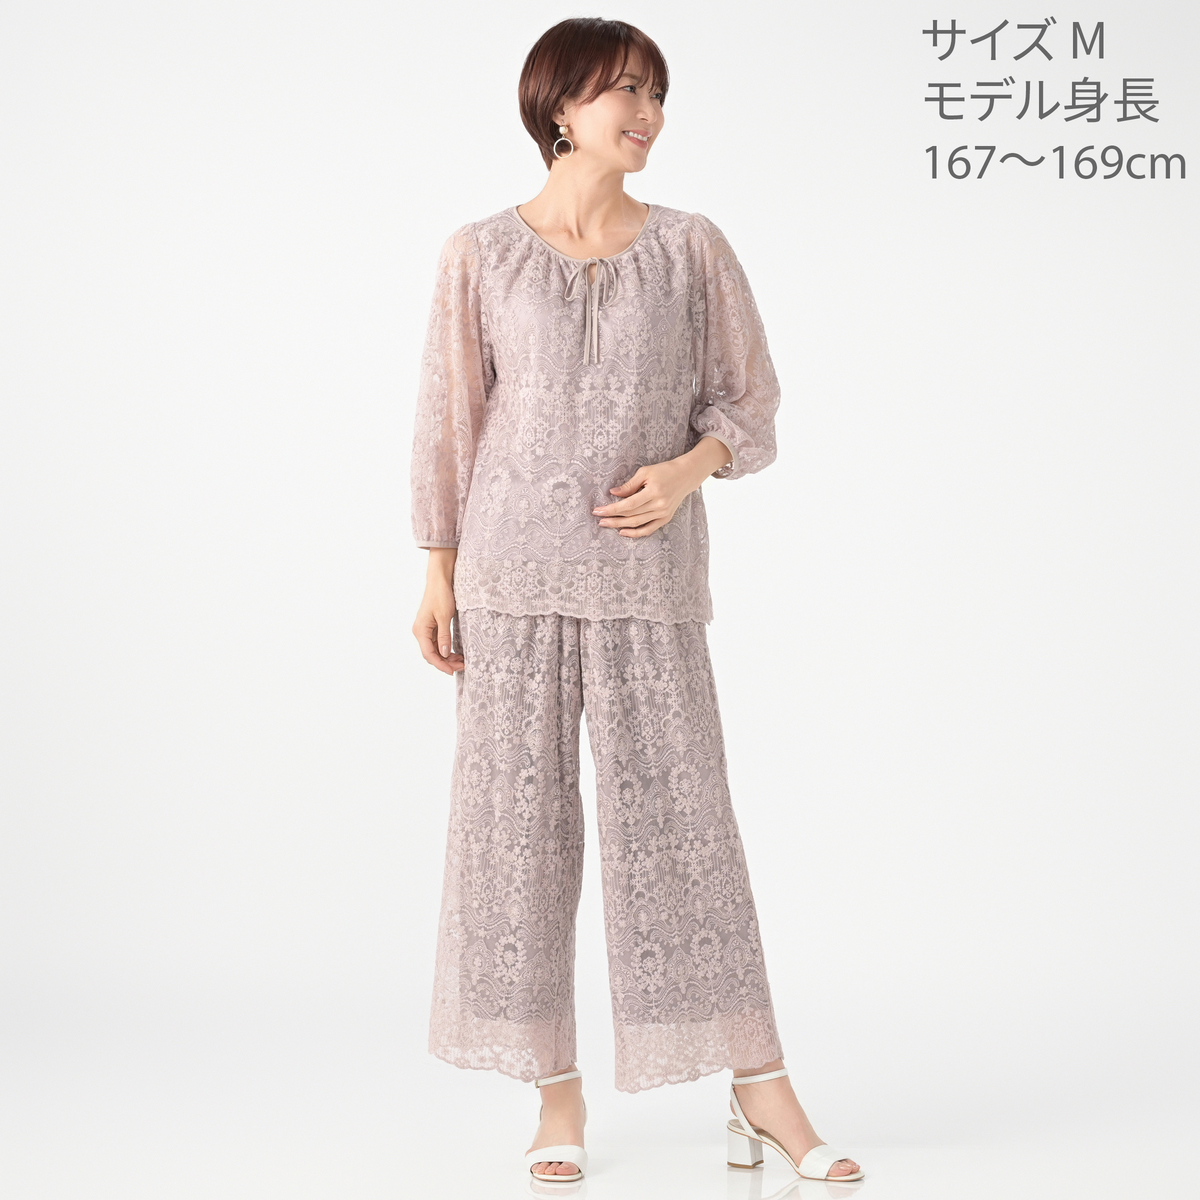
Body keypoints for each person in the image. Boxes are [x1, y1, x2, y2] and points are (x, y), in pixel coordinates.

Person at [409, 16, 864, 1186]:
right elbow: (451, 421)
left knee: (684, 831)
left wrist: (687, 470)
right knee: (516, 838)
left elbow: (750, 403)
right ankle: (554, 1094)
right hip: (510, 578)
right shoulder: (479, 254)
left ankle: (761, 1085)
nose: (647, 114)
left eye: (656, 93)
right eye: (623, 91)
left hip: (648, 583)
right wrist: (437, 569)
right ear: (559, 109)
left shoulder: (692, 248)